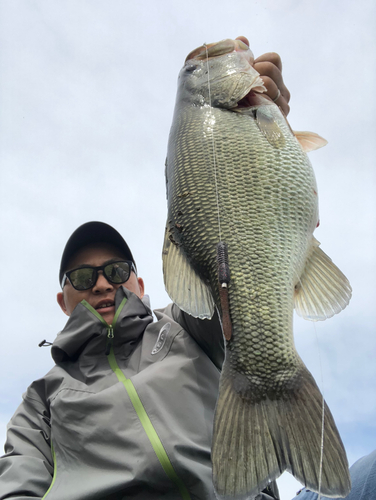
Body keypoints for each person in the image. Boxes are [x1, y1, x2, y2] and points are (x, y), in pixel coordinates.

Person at [0, 39, 290, 500]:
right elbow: (16, 487)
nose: (100, 284)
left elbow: (237, 285)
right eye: (81, 277)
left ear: (139, 281)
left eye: (115, 271)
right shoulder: (42, 400)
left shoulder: (187, 329)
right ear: (63, 299)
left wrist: (261, 137)